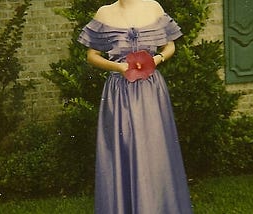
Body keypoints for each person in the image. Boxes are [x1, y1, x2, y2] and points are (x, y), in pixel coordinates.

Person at [78, 0, 193, 213]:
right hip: (119, 94)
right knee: (123, 149)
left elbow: (170, 45)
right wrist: (117, 67)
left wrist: (156, 60)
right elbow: (92, 56)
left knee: (155, 151)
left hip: (151, 91)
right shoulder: (104, 13)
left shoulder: (154, 7)